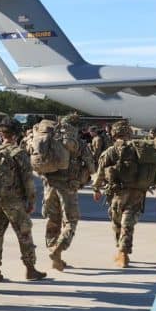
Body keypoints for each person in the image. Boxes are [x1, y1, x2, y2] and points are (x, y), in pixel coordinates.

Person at [92, 120, 156, 267]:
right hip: (138, 192)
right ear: (129, 134)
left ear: (114, 134)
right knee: (128, 222)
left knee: (117, 222)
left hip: (118, 193)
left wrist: (96, 188)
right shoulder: (140, 149)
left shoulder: (111, 151)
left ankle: (121, 251)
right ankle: (123, 251)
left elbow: (100, 173)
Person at [0, 118, 46, 282]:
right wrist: (31, 201)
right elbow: (28, 180)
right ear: (16, 135)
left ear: (1, 135)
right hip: (14, 201)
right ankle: (30, 269)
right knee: (24, 233)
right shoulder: (19, 153)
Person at [36, 113, 92, 271]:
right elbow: (91, 165)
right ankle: (58, 249)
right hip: (68, 187)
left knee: (53, 221)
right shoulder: (78, 143)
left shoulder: (50, 139)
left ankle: (55, 255)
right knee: (70, 221)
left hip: (49, 185)